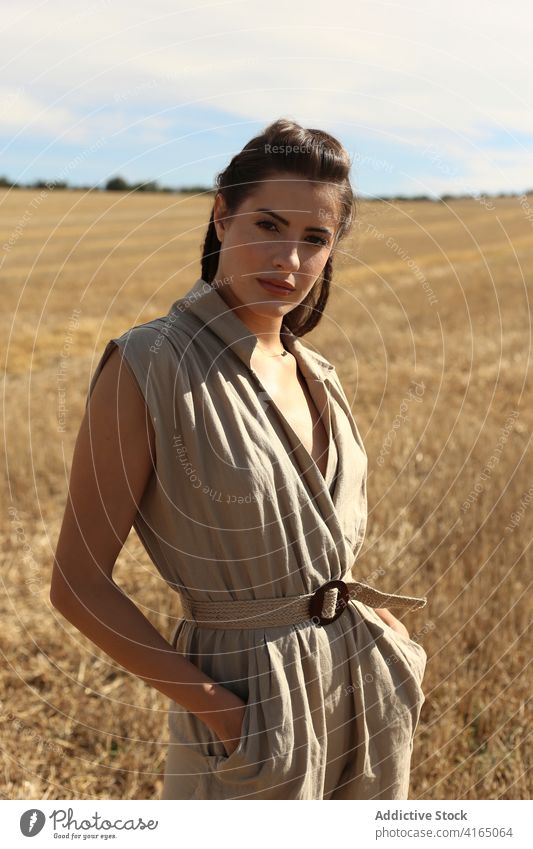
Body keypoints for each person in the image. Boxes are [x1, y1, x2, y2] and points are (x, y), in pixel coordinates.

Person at [50, 117, 428, 800]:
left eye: (314, 238)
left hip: (362, 686)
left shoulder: (319, 373)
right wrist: (224, 714)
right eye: (267, 226)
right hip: (245, 700)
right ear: (222, 217)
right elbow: (77, 582)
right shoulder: (150, 363)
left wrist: (376, 628)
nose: (288, 258)